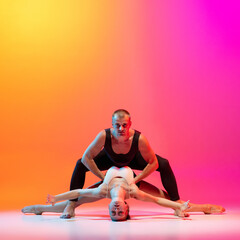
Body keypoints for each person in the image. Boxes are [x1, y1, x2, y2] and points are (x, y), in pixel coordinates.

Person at [61, 109, 224, 218]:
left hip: (132, 158)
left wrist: (136, 180)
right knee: (80, 164)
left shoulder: (139, 139)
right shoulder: (104, 136)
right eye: (117, 125)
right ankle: (71, 204)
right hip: (109, 158)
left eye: (124, 125)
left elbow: (153, 163)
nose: (121, 128)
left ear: (130, 124)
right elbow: (86, 158)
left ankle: (176, 201)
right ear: (112, 126)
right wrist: (102, 178)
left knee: (164, 163)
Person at [22, 166, 224, 219]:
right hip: (134, 180)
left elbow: (75, 190)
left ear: (109, 208)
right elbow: (158, 202)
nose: (117, 209)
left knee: (74, 200)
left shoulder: (103, 191)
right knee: (170, 200)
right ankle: (202, 207)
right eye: (121, 213)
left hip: (108, 179)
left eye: (113, 213)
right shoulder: (135, 193)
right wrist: (177, 206)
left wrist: (57, 197)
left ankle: (40, 209)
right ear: (127, 207)